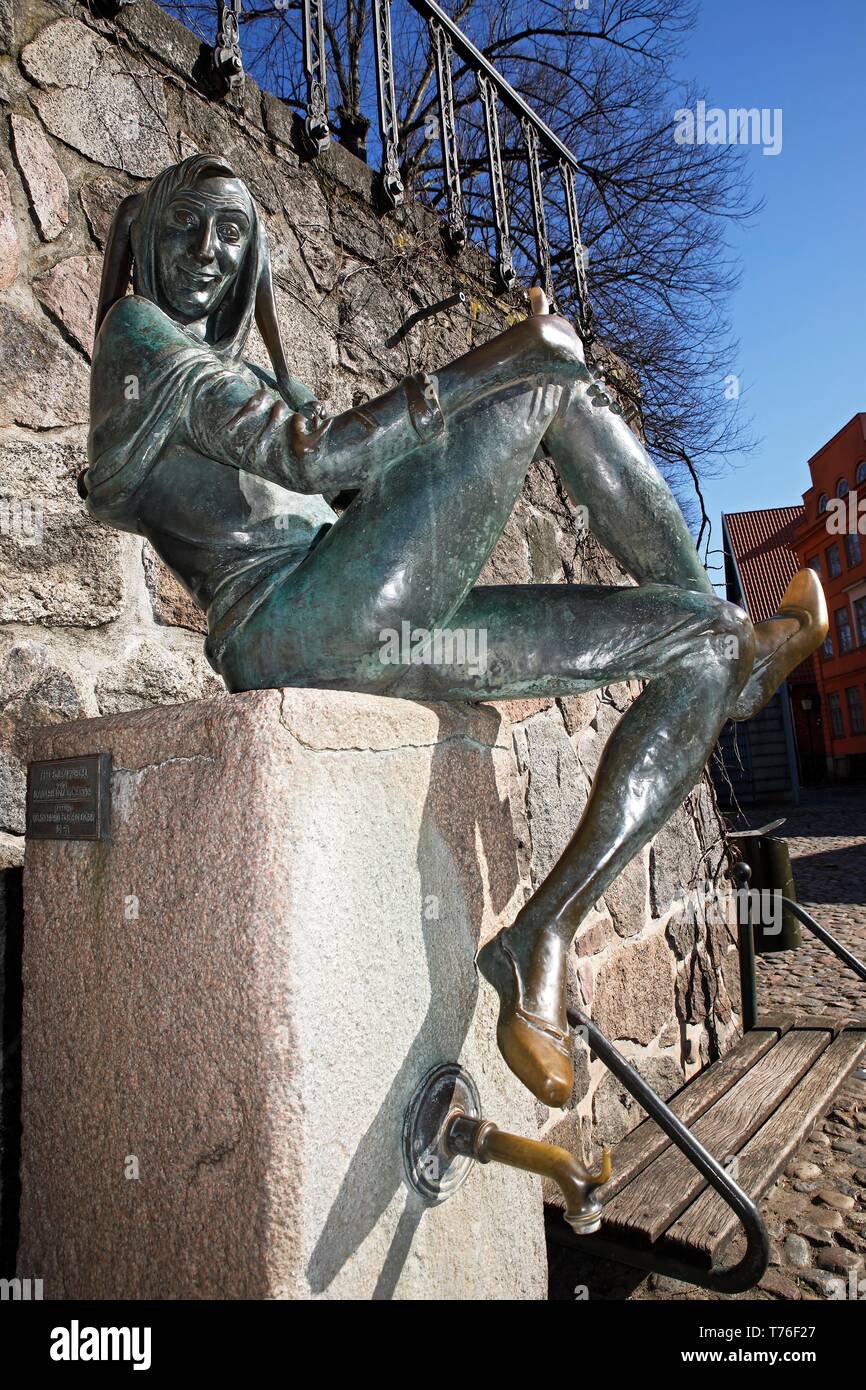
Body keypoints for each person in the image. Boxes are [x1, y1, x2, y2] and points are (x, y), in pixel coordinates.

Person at [84, 153, 827, 1107]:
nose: (208, 252)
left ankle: (542, 935)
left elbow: (353, 474)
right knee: (546, 372)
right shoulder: (138, 337)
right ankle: (740, 674)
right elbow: (311, 459)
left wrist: (478, 389)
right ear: (147, 233)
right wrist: (497, 367)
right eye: (188, 225)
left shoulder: (227, 369)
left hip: (363, 609)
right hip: (287, 624)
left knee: (706, 636)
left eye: (232, 235)